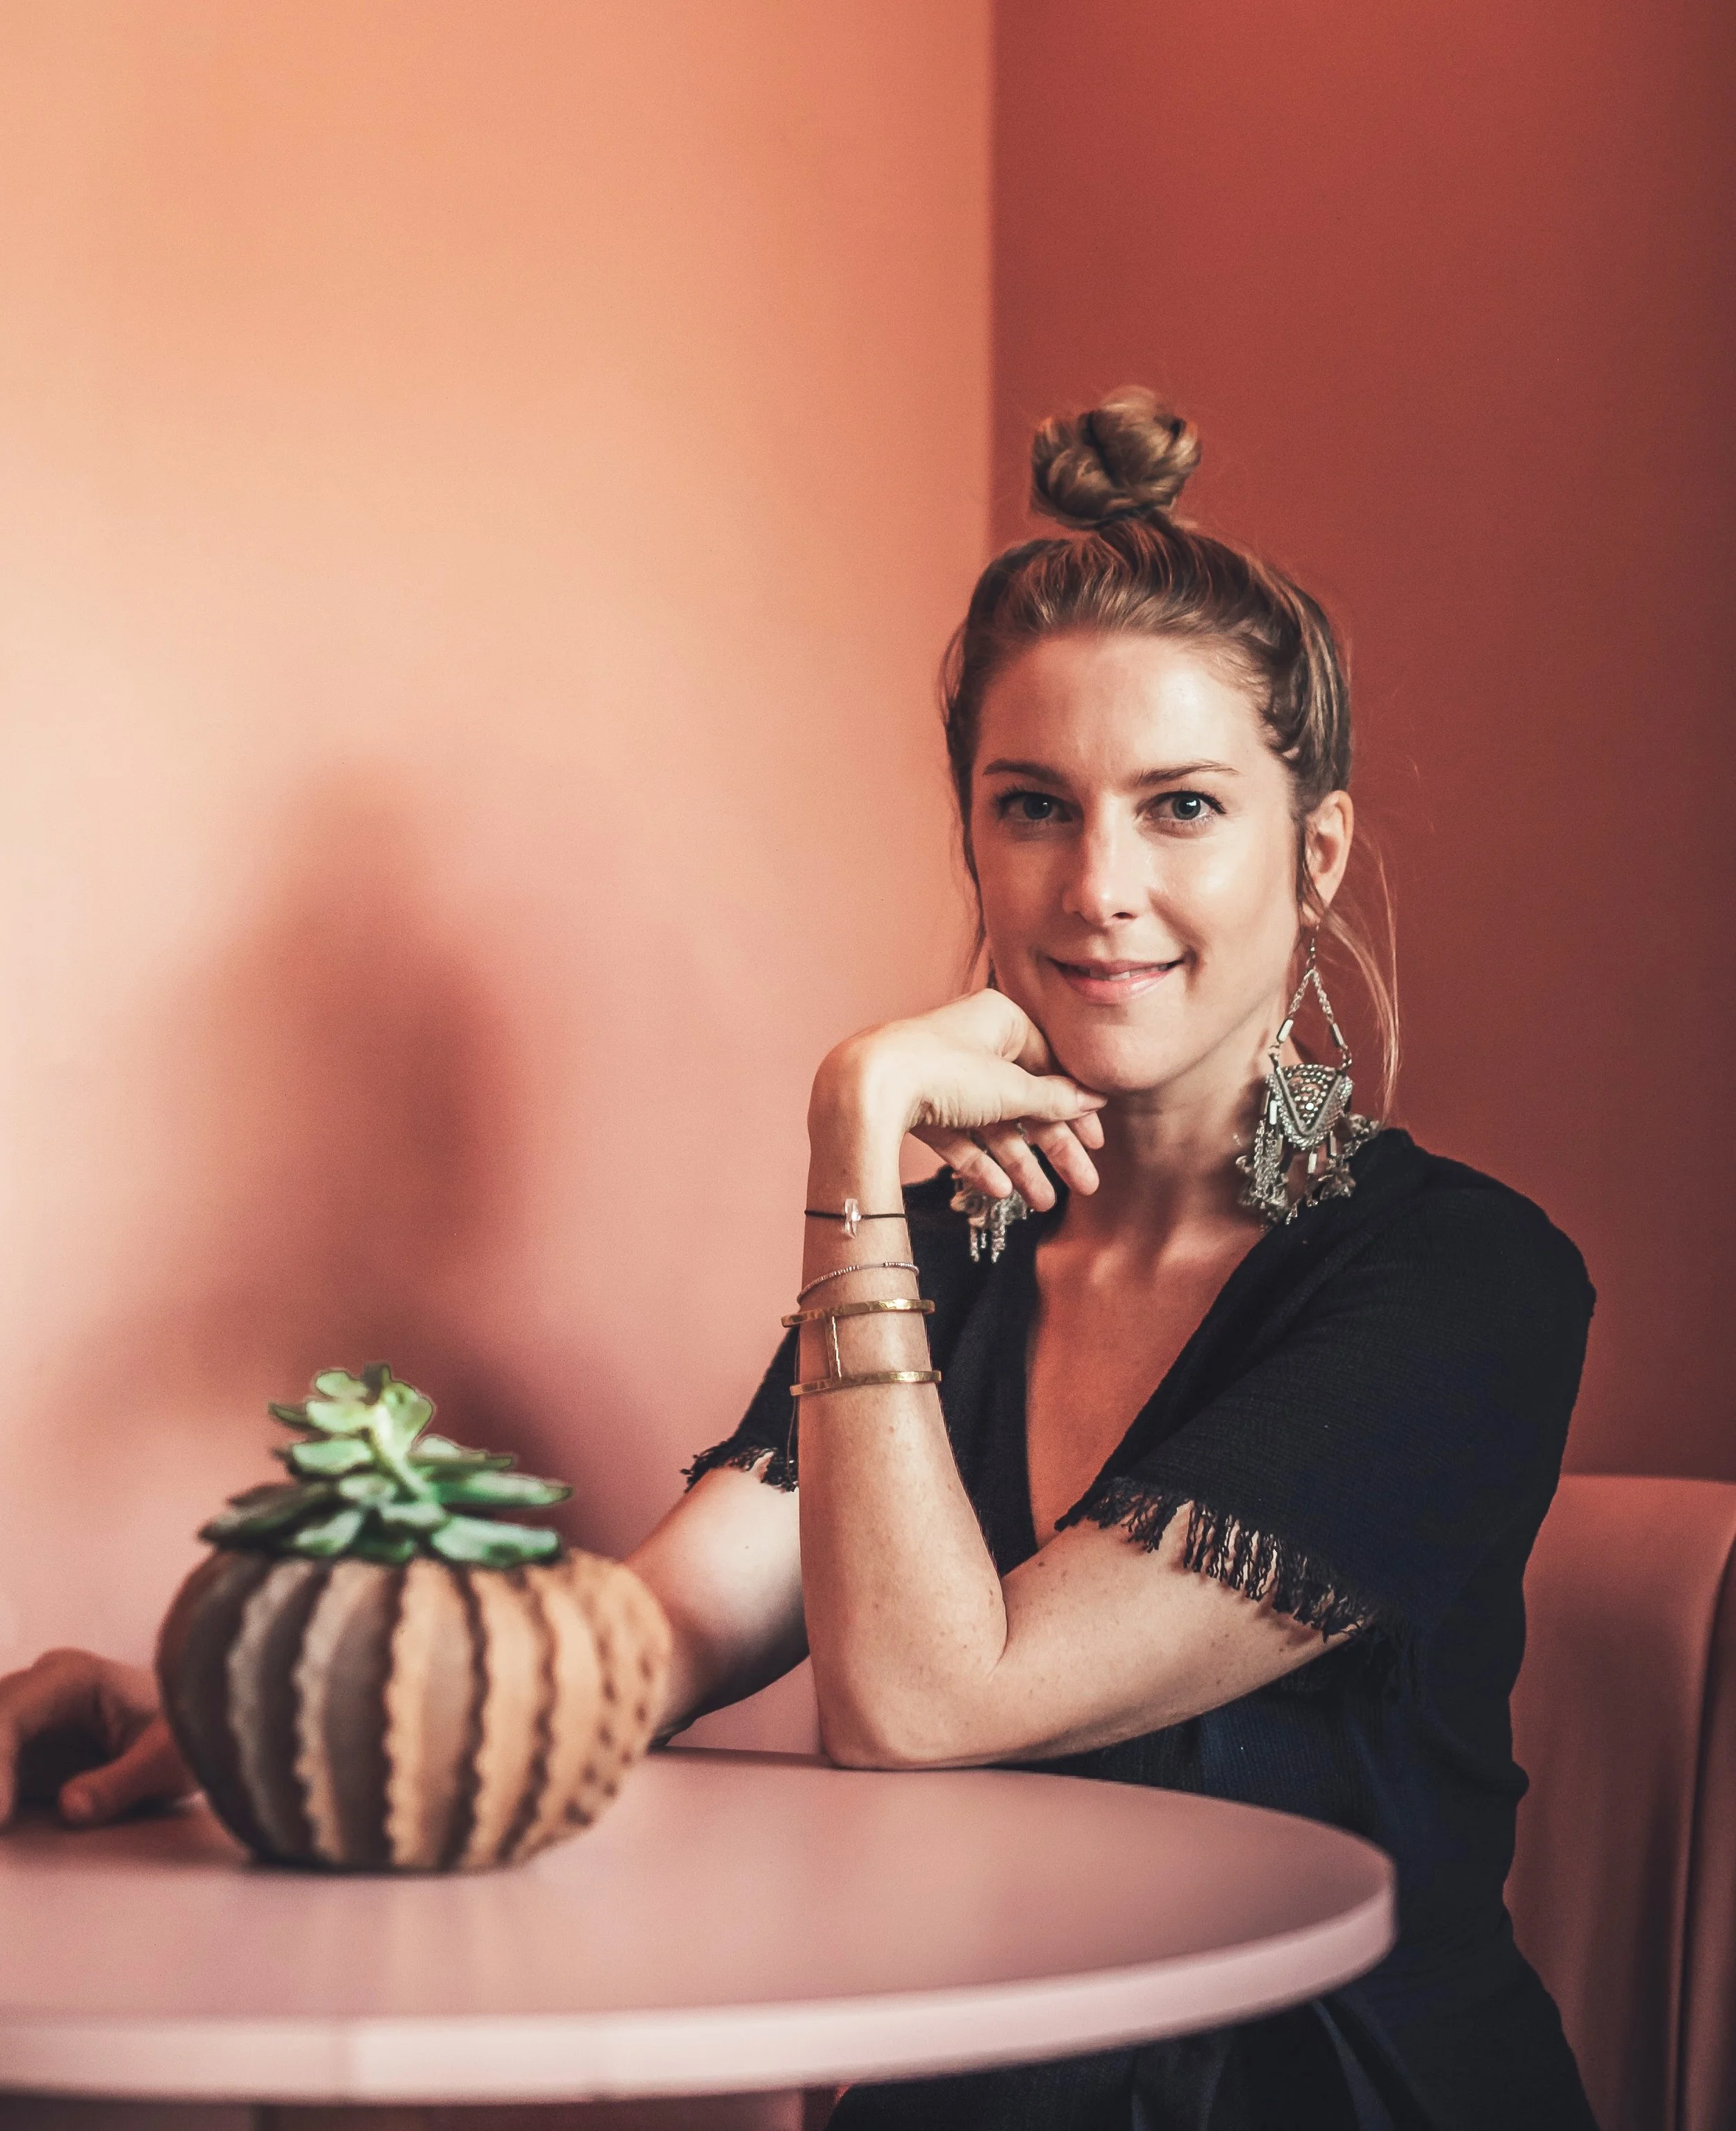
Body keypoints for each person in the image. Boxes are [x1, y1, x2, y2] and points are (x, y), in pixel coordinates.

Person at [0, 392, 1596, 2131]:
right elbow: (638, 1641)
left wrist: (850, 1130)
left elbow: (922, 1701)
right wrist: (239, 1722)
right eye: (1034, 806)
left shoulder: (1462, 1289)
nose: (1100, 884)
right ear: (973, 835)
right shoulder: (934, 1267)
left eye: (1183, 805)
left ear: (1317, 848)